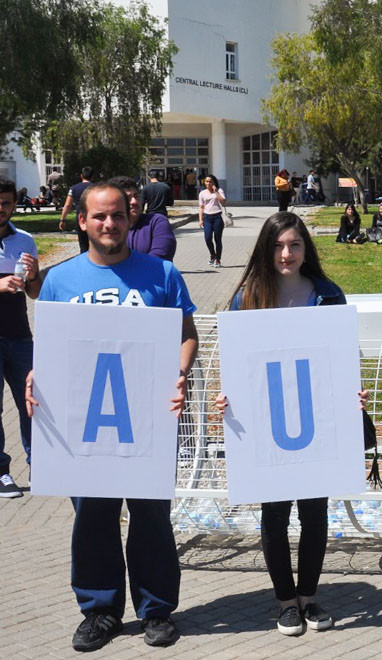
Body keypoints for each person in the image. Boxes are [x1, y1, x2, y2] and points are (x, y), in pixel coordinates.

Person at [27, 182, 197, 651]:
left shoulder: (161, 274)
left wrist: (179, 372)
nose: (109, 224)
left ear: (131, 218)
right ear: (82, 221)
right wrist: (35, 377)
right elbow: (54, 350)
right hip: (85, 424)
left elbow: (188, 335)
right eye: (100, 216)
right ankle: (100, 611)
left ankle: (157, 610)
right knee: (94, 519)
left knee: (151, 518)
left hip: (146, 420)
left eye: (118, 215)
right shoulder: (60, 281)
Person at [217, 212, 360, 636]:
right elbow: (236, 363)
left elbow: (342, 358)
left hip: (318, 420)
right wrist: (228, 396)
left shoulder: (328, 295)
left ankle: (310, 598)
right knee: (275, 514)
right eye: (278, 246)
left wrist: (353, 392)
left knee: (315, 512)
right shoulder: (247, 298)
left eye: (295, 245)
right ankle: (285, 601)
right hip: (267, 422)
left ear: (306, 249)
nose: (286, 254)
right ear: (266, 249)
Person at [0, 176, 40, 498]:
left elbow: (35, 294)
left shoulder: (25, 240)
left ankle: (40, 465)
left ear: (14, 204)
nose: (1, 209)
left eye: (6, 203)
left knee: (32, 403)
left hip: (19, 336)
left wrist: (35, 275)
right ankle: (2, 473)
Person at [108, 176, 177, 261]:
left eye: (136, 196)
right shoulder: (108, 227)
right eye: (127, 198)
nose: (134, 201)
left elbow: (160, 258)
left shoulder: (156, 222)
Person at [59, 166, 95, 253]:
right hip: (94, 218)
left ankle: (83, 263)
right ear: (93, 177)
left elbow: (67, 205)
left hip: (80, 218)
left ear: (81, 176)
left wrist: (62, 220)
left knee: (83, 244)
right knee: (94, 244)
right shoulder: (96, 188)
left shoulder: (74, 188)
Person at [198, 175, 227, 267]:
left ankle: (218, 259)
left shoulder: (219, 190)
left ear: (213, 182)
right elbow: (201, 207)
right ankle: (212, 254)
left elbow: (223, 201)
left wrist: (216, 191)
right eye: (206, 181)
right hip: (207, 218)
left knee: (217, 239)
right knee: (207, 238)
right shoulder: (202, 193)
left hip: (217, 217)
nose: (208, 183)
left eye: (210, 181)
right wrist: (200, 220)